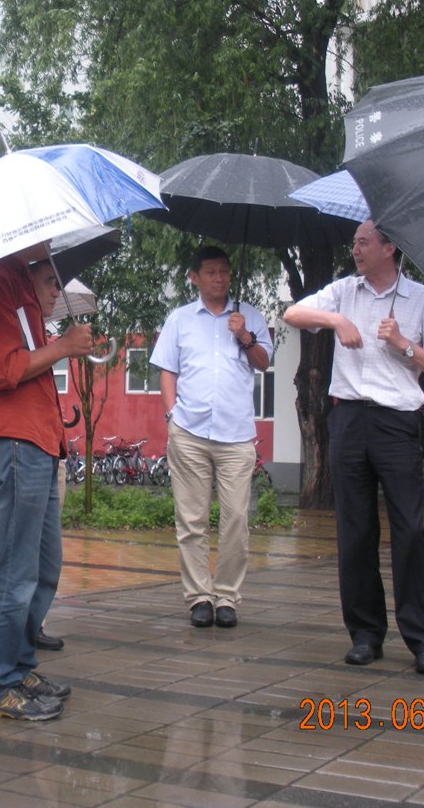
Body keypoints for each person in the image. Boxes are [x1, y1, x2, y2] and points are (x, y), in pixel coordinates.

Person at [281, 220, 424, 674]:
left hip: (397, 423)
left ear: (389, 248)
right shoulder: (343, 292)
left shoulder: (422, 299)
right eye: (354, 242)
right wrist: (336, 320)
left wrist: (402, 344)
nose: (355, 249)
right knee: (354, 531)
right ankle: (365, 634)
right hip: (349, 419)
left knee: (409, 529)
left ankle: (423, 639)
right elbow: (293, 314)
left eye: (364, 242)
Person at [0, 244, 93, 720]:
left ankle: (17, 667)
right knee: (11, 570)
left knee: (43, 567)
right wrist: (63, 346)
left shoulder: (19, 285)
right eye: (43, 235)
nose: (49, 242)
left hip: (38, 442)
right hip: (8, 442)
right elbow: (5, 369)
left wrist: (54, 335)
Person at [150, 245, 272, 629]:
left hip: (236, 436)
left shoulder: (248, 316)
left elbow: (264, 362)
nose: (219, 278)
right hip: (189, 431)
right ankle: (199, 597)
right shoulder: (180, 319)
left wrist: (245, 335)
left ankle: (227, 597)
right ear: (195, 278)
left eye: (224, 271)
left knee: (236, 519)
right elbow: (167, 369)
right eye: (211, 272)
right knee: (191, 520)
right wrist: (171, 415)